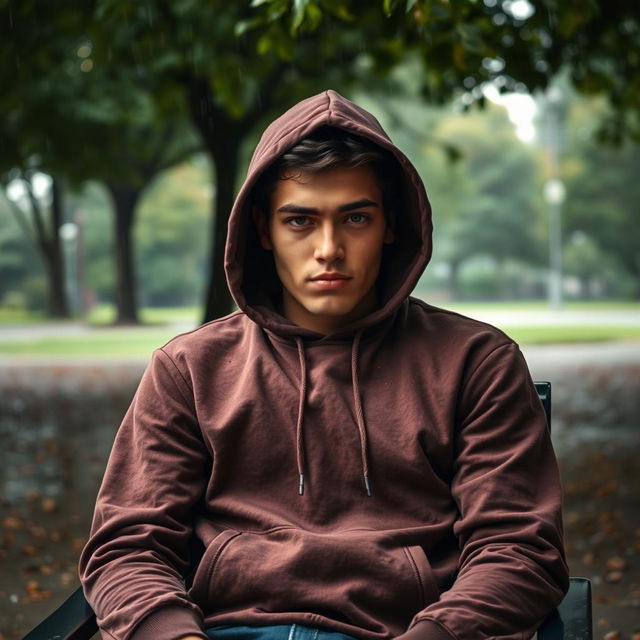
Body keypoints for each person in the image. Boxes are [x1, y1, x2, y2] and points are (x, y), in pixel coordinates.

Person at [79, 90, 569, 640]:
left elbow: (518, 551)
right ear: (264, 231)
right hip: (220, 631)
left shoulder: (476, 363)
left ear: (389, 225)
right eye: (300, 221)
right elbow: (128, 547)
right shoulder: (189, 369)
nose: (329, 248)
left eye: (355, 217)